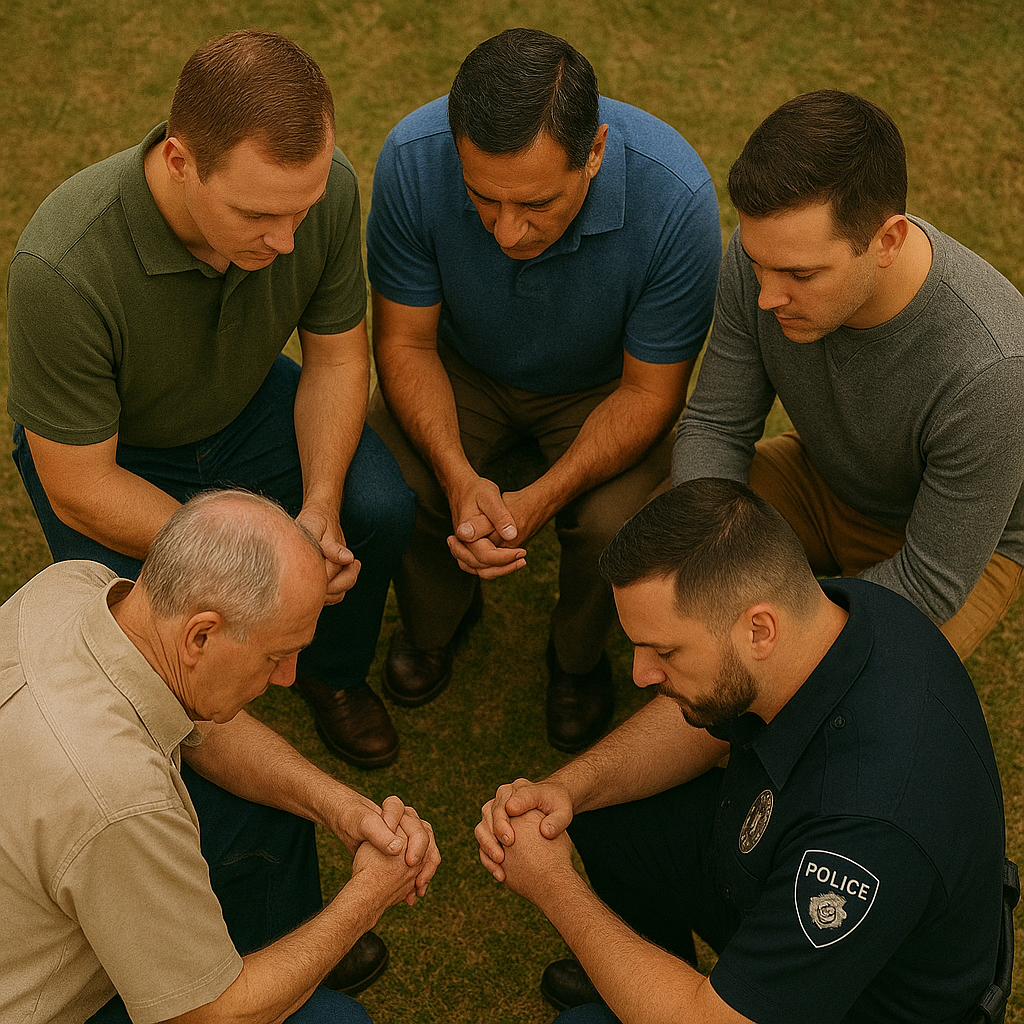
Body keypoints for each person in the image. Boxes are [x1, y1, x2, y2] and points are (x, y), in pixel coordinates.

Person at [6, 30, 416, 768]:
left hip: (246, 408)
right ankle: (175, 741)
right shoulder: (60, 269)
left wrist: (318, 507)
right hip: (116, 456)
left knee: (378, 508)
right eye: (257, 216)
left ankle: (331, 674)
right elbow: (78, 486)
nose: (287, 239)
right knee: (144, 622)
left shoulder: (315, 193)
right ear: (179, 162)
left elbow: (335, 359)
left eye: (303, 208)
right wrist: (264, 554)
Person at [476, 478, 1007, 1024]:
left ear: (759, 629)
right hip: (782, 866)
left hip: (861, 1004)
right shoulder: (838, 618)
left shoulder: (865, 828)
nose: (640, 674)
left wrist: (555, 887)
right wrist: (569, 788)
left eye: (663, 650)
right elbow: (702, 719)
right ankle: (650, 981)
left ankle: (675, 994)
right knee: (605, 803)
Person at [365, 27, 721, 751]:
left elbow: (651, 395)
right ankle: (438, 620)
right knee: (392, 477)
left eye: (536, 204)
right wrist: (459, 474)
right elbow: (404, 342)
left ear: (594, 151)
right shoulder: (412, 156)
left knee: (613, 520)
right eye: (483, 199)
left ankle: (576, 658)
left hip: (605, 388)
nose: (507, 230)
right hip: (460, 367)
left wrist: (543, 497)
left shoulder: (678, 203)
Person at [0, 489, 440, 1023]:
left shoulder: (72, 586)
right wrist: (370, 895)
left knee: (283, 805)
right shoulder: (121, 802)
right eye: (277, 656)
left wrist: (339, 806)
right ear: (200, 635)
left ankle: (286, 956)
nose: (288, 679)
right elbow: (212, 1017)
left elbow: (194, 723)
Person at [672, 89, 1024, 661]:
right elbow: (715, 424)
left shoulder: (994, 369)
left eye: (800, 275)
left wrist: (772, 621)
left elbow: (930, 582)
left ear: (887, 241)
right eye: (758, 264)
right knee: (673, 524)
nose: (766, 296)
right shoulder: (765, 255)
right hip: (823, 474)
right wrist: (707, 561)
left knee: (844, 684)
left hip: (949, 543)